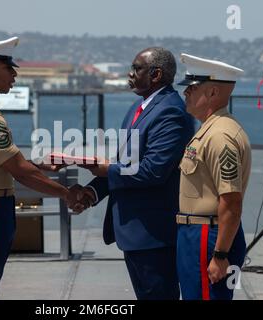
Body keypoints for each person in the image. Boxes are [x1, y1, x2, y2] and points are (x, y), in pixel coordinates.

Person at [0, 36, 77, 300]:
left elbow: (6, 163)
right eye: (8, 67)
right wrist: (67, 194)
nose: (14, 73)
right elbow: (19, 171)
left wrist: (40, 165)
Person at [73, 47, 195, 300]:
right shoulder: (138, 108)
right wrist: (92, 192)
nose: (129, 74)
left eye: (136, 68)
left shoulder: (171, 112)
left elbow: (152, 171)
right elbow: (125, 163)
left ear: (156, 74)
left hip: (153, 235)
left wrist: (106, 169)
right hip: (135, 234)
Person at [175, 53, 251, 300]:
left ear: (213, 92)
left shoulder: (220, 136)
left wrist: (219, 255)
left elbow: (231, 201)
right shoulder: (211, 129)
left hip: (209, 237)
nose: (186, 93)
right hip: (198, 234)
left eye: (192, 88)